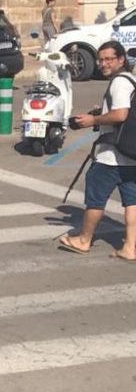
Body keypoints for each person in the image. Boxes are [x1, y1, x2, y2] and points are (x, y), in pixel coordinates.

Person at [58, 40, 136, 261]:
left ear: (121, 59)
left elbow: (120, 115)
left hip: (112, 155)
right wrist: (100, 111)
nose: (103, 64)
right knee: (132, 201)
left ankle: (83, 240)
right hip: (132, 155)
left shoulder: (119, 83)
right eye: (101, 60)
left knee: (95, 199)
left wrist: (93, 119)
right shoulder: (132, 80)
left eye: (108, 59)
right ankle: (130, 247)